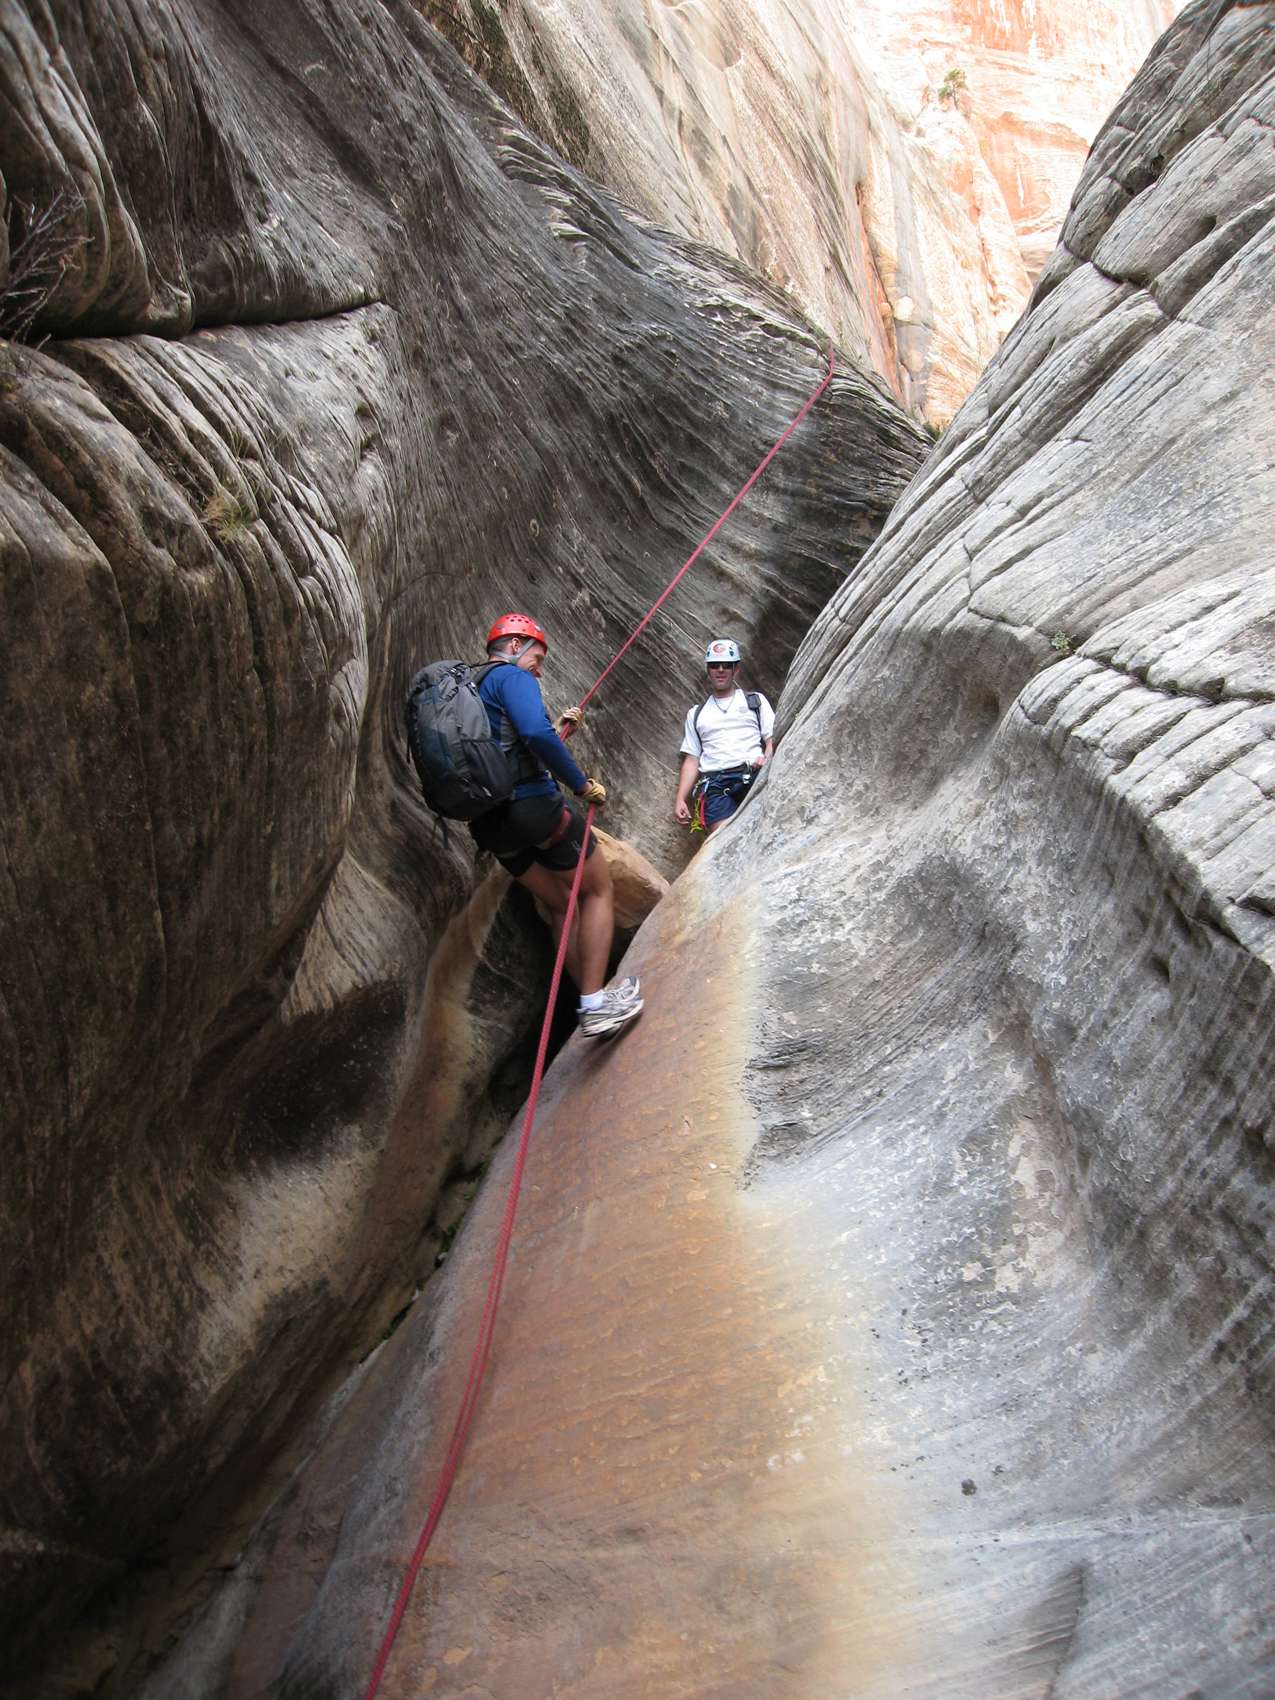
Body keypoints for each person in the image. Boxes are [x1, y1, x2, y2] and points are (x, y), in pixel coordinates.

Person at [469, 613, 642, 1039]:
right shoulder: (512, 677)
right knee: (597, 889)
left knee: (562, 904)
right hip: (532, 808)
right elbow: (534, 734)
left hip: (491, 826)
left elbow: (510, 748)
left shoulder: (471, 688)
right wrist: (581, 785)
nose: (539, 670)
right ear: (515, 646)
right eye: (538, 658)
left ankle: (593, 998)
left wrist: (561, 730)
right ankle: (595, 1005)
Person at [674, 638, 775, 836]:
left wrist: (767, 759)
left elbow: (771, 738)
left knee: (764, 834)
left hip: (753, 775)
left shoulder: (755, 701)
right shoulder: (696, 714)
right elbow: (692, 759)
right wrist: (680, 798)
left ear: (736, 669)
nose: (720, 670)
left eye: (726, 665)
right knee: (725, 842)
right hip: (715, 785)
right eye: (714, 665)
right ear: (708, 670)